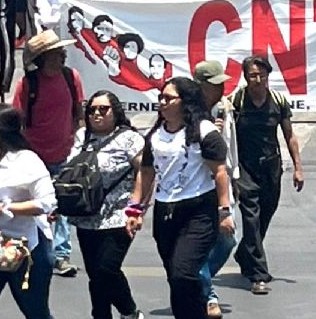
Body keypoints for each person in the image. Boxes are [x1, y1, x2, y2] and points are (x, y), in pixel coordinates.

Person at [125, 78, 233, 319]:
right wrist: (134, 210)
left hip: (198, 211)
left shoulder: (204, 132)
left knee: (184, 272)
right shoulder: (155, 135)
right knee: (176, 278)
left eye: (169, 98)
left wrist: (224, 212)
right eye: (161, 98)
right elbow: (146, 172)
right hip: (166, 213)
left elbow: (220, 173)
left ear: (185, 102)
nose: (162, 103)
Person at [0, 104, 57, 318]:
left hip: (25, 250)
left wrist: (4, 208)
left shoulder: (27, 161)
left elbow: (47, 203)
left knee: (36, 313)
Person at [12, 30, 84, 278]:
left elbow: (78, 113)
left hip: (64, 154)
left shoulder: (71, 78)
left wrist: (76, 141)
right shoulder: (28, 85)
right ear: (41, 59)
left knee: (61, 207)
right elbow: (16, 121)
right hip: (33, 157)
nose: (59, 58)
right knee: (34, 208)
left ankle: (60, 256)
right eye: (53, 55)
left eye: (60, 54)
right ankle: (31, 250)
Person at [67, 91, 145, 319]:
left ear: (115, 111)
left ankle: (129, 311)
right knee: (95, 274)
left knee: (106, 268)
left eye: (103, 109)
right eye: (92, 110)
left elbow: (145, 171)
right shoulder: (82, 136)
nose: (97, 114)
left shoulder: (129, 139)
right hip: (86, 215)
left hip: (119, 214)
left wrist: (137, 207)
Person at [232, 56, 304, 295]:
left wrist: (298, 167)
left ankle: (245, 254)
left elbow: (289, 135)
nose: (258, 80)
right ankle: (258, 274)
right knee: (251, 218)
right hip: (245, 167)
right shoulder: (237, 101)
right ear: (245, 77)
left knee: (266, 215)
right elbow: (227, 135)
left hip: (271, 167)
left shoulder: (278, 101)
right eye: (253, 75)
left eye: (262, 75)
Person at [192, 61, 239, 319]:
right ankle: (208, 294)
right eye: (215, 84)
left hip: (223, 182)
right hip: (197, 186)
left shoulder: (224, 109)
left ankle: (196, 278)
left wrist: (236, 178)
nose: (221, 88)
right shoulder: (187, 113)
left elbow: (231, 148)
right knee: (199, 242)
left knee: (227, 239)